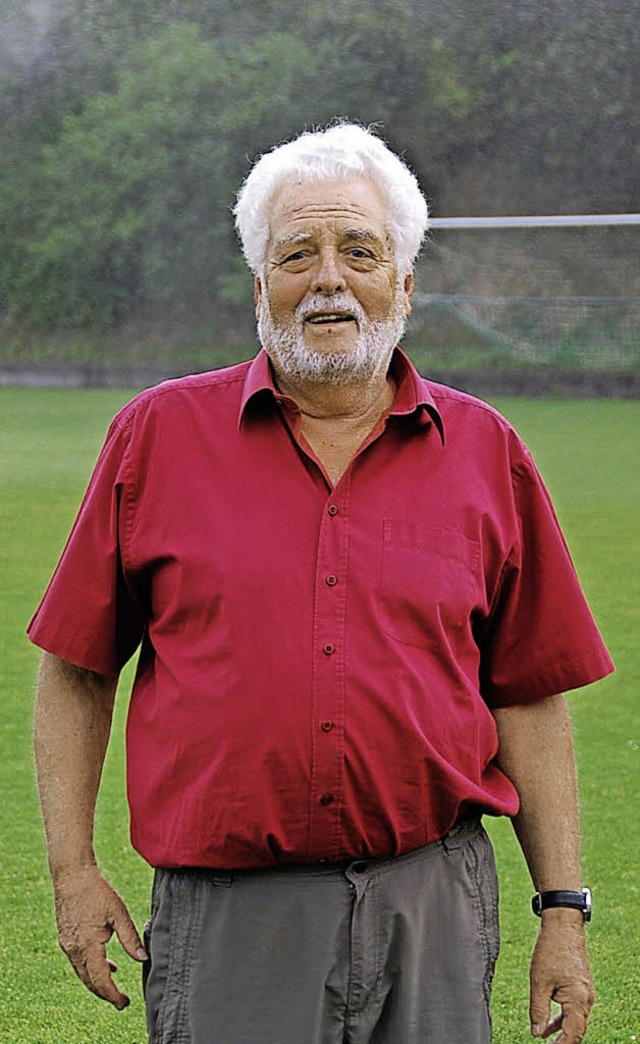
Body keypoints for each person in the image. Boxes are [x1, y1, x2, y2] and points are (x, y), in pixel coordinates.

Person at [30, 122, 613, 1044]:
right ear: (261, 287)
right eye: (296, 254)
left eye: (360, 252)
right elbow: (75, 669)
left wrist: (563, 912)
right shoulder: (156, 438)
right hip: (231, 920)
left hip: (435, 904)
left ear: (406, 284)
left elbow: (530, 697)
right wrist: (71, 871)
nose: (329, 278)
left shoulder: (488, 452)